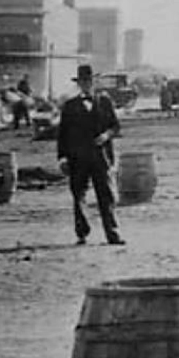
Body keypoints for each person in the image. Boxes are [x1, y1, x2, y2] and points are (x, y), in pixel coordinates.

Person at [58, 65, 123, 245]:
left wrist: (105, 136)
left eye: (89, 81)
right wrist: (62, 158)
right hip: (77, 158)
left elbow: (116, 127)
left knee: (106, 196)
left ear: (94, 82)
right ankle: (82, 232)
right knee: (78, 196)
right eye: (83, 81)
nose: (86, 84)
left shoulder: (105, 101)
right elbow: (62, 134)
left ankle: (112, 233)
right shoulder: (69, 106)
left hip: (101, 158)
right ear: (79, 84)